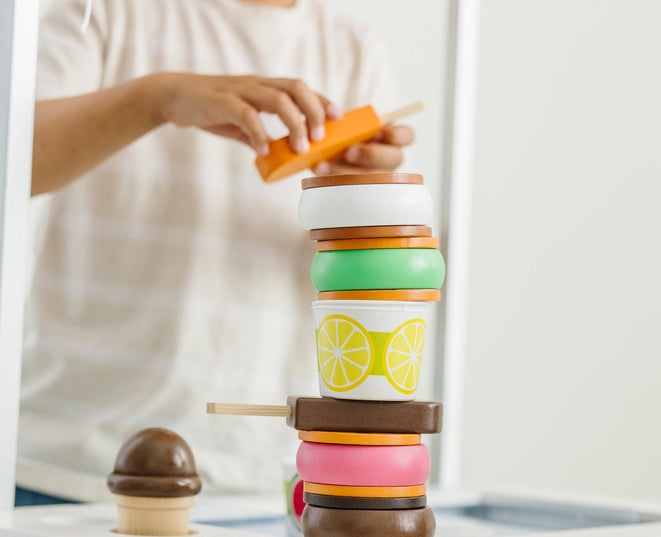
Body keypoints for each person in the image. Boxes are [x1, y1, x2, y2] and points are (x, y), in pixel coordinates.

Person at [16, 0, 414, 505]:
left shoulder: (352, 47)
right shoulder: (104, 10)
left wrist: (361, 199)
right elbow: (18, 159)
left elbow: (369, 279)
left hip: (261, 481)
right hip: (68, 467)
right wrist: (157, 98)